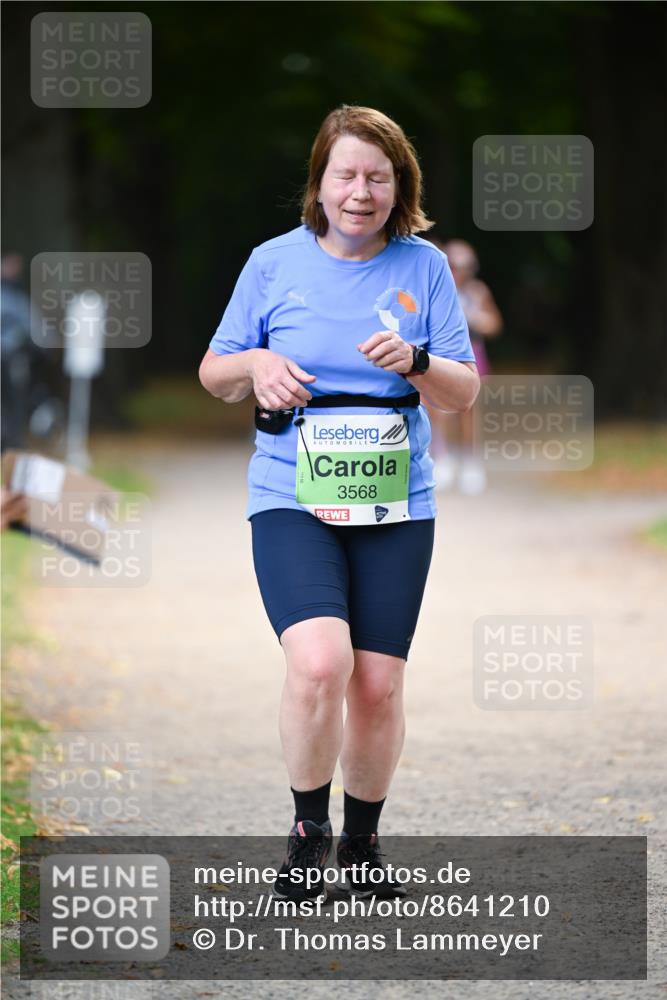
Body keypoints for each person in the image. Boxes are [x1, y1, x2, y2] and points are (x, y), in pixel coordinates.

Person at [199, 106, 479, 902]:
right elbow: (213, 373)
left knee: (377, 685)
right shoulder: (271, 263)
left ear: (400, 187)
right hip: (290, 491)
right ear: (319, 185)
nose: (360, 192)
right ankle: (306, 831)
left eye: (377, 178)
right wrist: (255, 362)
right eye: (345, 175)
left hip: (395, 501)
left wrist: (418, 359)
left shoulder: (422, 267)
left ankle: (360, 844)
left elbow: (460, 394)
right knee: (320, 662)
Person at [428, 239, 502, 495]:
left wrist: (476, 318)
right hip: (442, 355)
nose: (461, 271)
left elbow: (494, 324)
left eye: (467, 265)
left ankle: (470, 462)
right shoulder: (437, 289)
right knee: (437, 409)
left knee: (469, 411)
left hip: (471, 354)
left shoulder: (477, 292)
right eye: (456, 264)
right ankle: (442, 457)